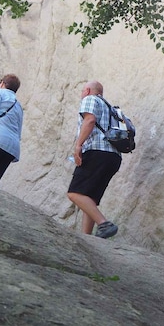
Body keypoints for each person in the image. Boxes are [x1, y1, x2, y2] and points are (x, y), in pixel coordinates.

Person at [67, 80, 122, 239]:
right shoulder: (110, 108)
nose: (81, 94)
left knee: (74, 193)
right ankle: (87, 237)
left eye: (82, 90)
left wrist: (78, 145)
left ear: (88, 90)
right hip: (113, 156)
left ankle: (104, 224)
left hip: (96, 151)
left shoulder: (90, 99)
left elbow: (89, 120)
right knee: (89, 197)